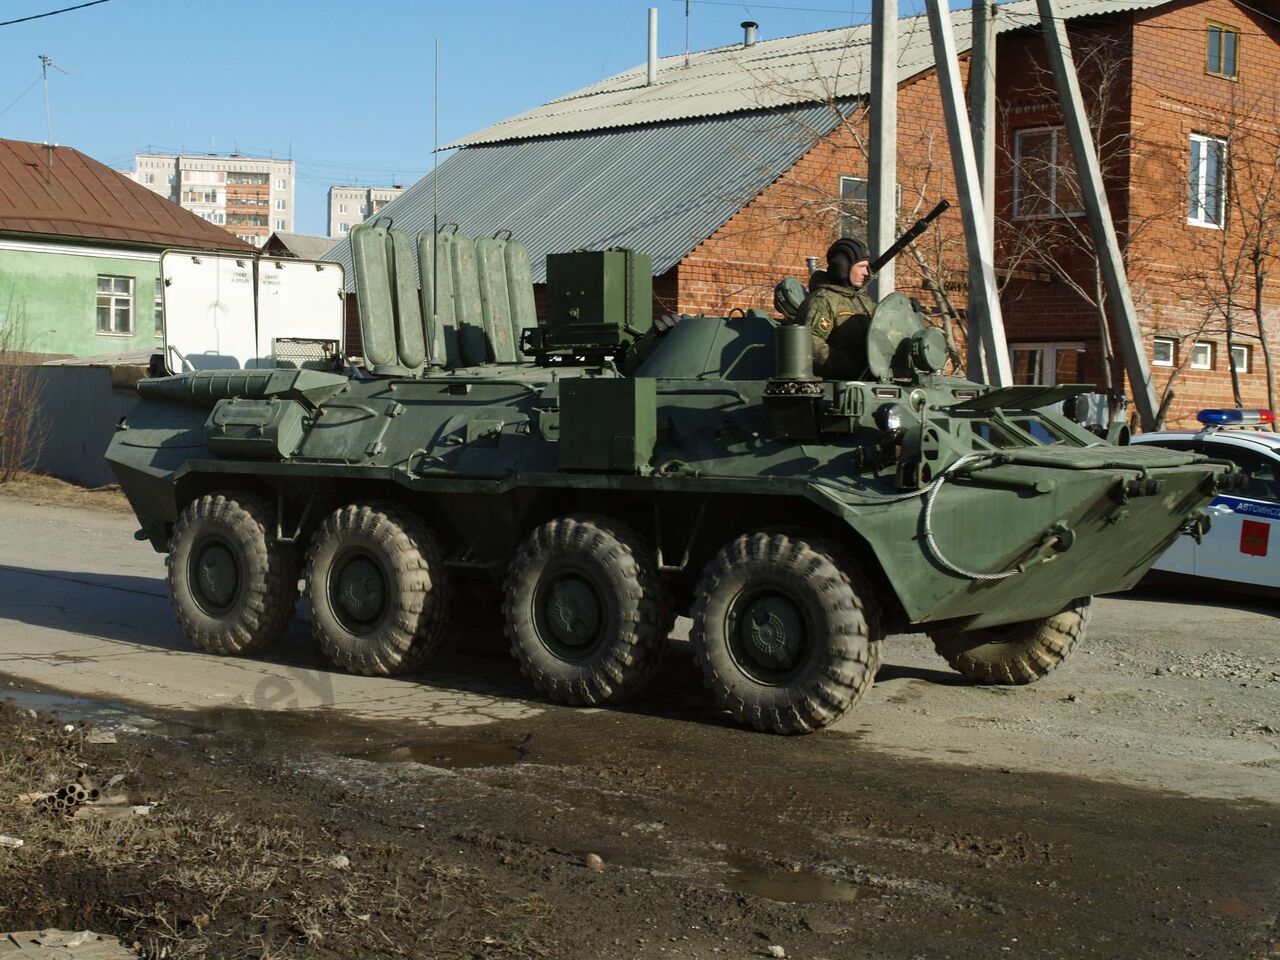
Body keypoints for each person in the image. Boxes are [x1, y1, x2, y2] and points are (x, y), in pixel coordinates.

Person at [798, 237, 875, 380]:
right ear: (843, 266)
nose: (866, 272)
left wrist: (905, 312)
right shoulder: (823, 300)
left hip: (866, 382)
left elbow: (882, 328)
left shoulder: (863, 301)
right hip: (835, 387)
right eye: (861, 266)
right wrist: (848, 366)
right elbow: (810, 343)